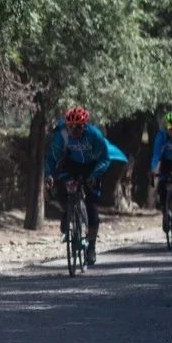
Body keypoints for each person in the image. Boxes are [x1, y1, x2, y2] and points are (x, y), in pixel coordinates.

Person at [44, 106, 111, 266]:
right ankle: (67, 212)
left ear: (85, 126)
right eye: (71, 127)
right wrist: (49, 175)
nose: (74, 131)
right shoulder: (62, 135)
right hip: (71, 165)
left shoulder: (94, 135)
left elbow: (105, 158)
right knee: (60, 187)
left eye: (78, 127)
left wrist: (95, 175)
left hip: (91, 167)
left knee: (92, 208)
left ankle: (91, 247)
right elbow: (52, 157)